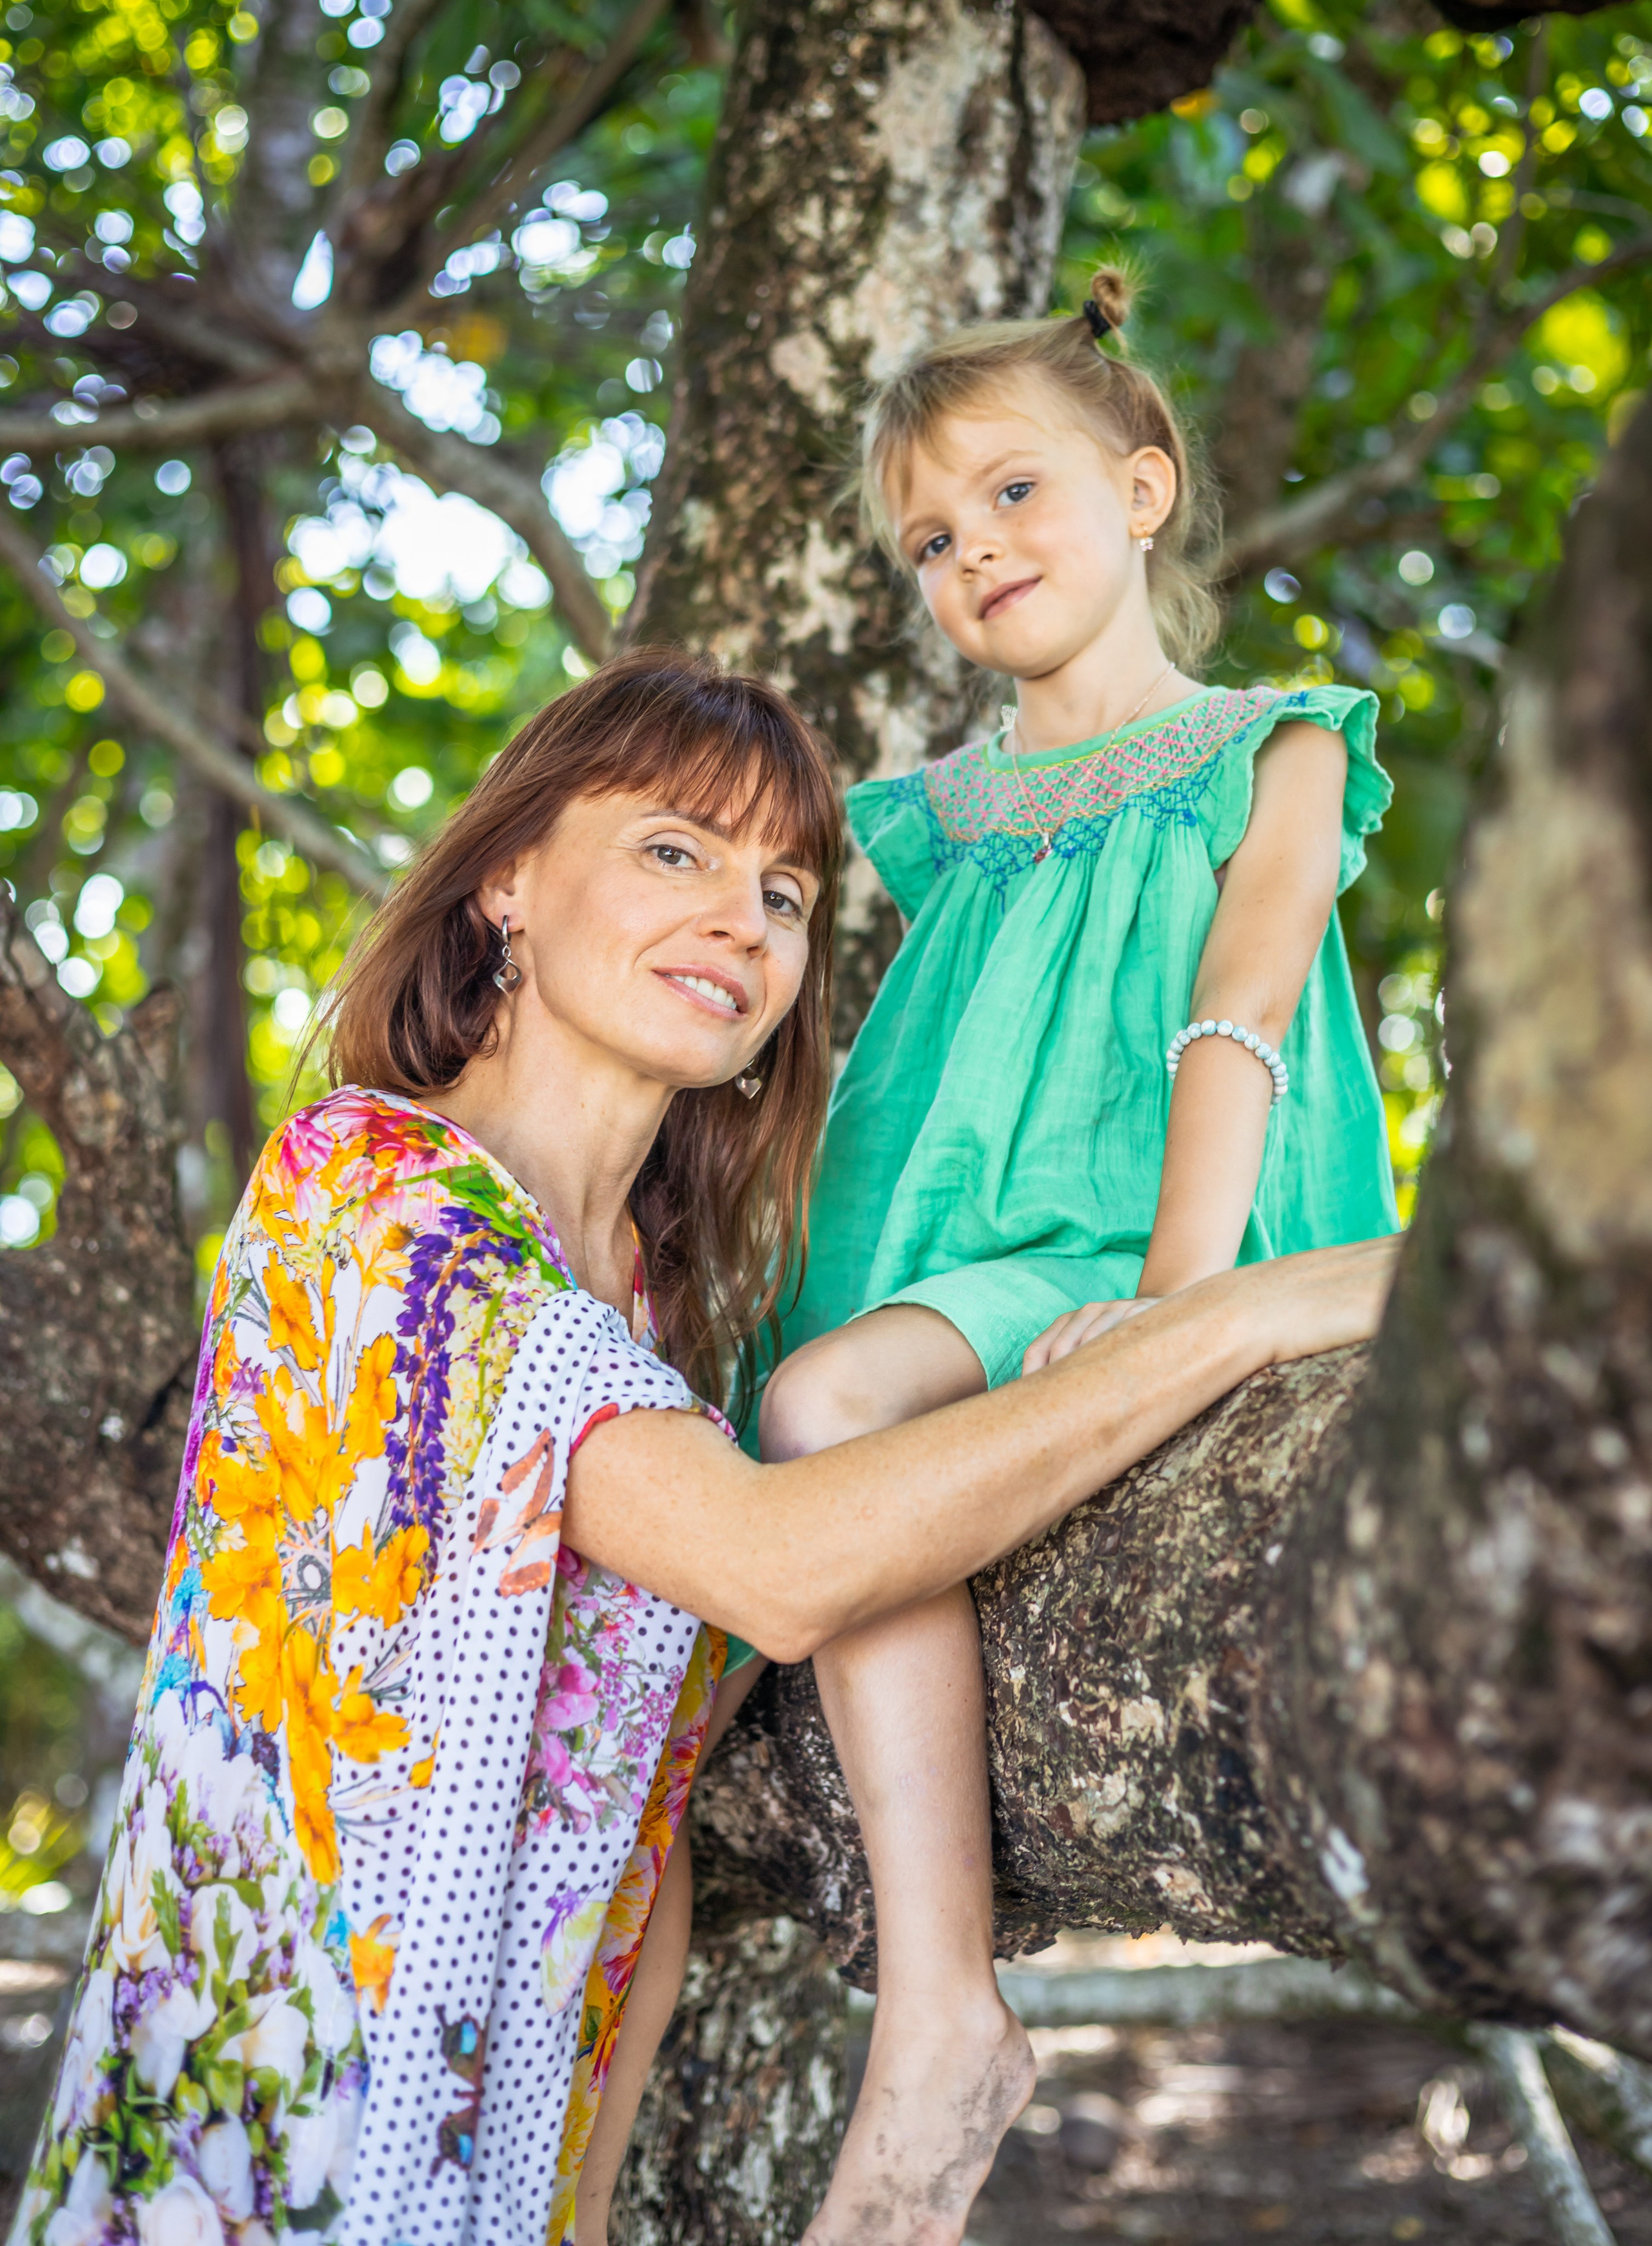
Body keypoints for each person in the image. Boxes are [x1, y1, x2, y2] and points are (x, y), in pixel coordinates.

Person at [14, 649, 1395, 2246]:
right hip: (257, 2158)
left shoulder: (661, 1335)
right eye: (676, 851)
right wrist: (1224, 1318)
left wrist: (578, 2207)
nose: (745, 919)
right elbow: (777, 1564)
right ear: (507, 886)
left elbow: (624, 1826)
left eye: (786, 893)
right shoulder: (371, 1191)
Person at [751, 267, 1402, 2243]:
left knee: (828, 1405)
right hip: (949, 1255)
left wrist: (1177, 1289)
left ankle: (941, 2008)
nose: (976, 558)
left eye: (1015, 497)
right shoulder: (940, 816)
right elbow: (901, 1094)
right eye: (934, 542)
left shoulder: (1268, 744)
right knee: (804, 1396)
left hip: (1149, 1234)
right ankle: (942, 1992)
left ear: (1142, 489)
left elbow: (1244, 1004)